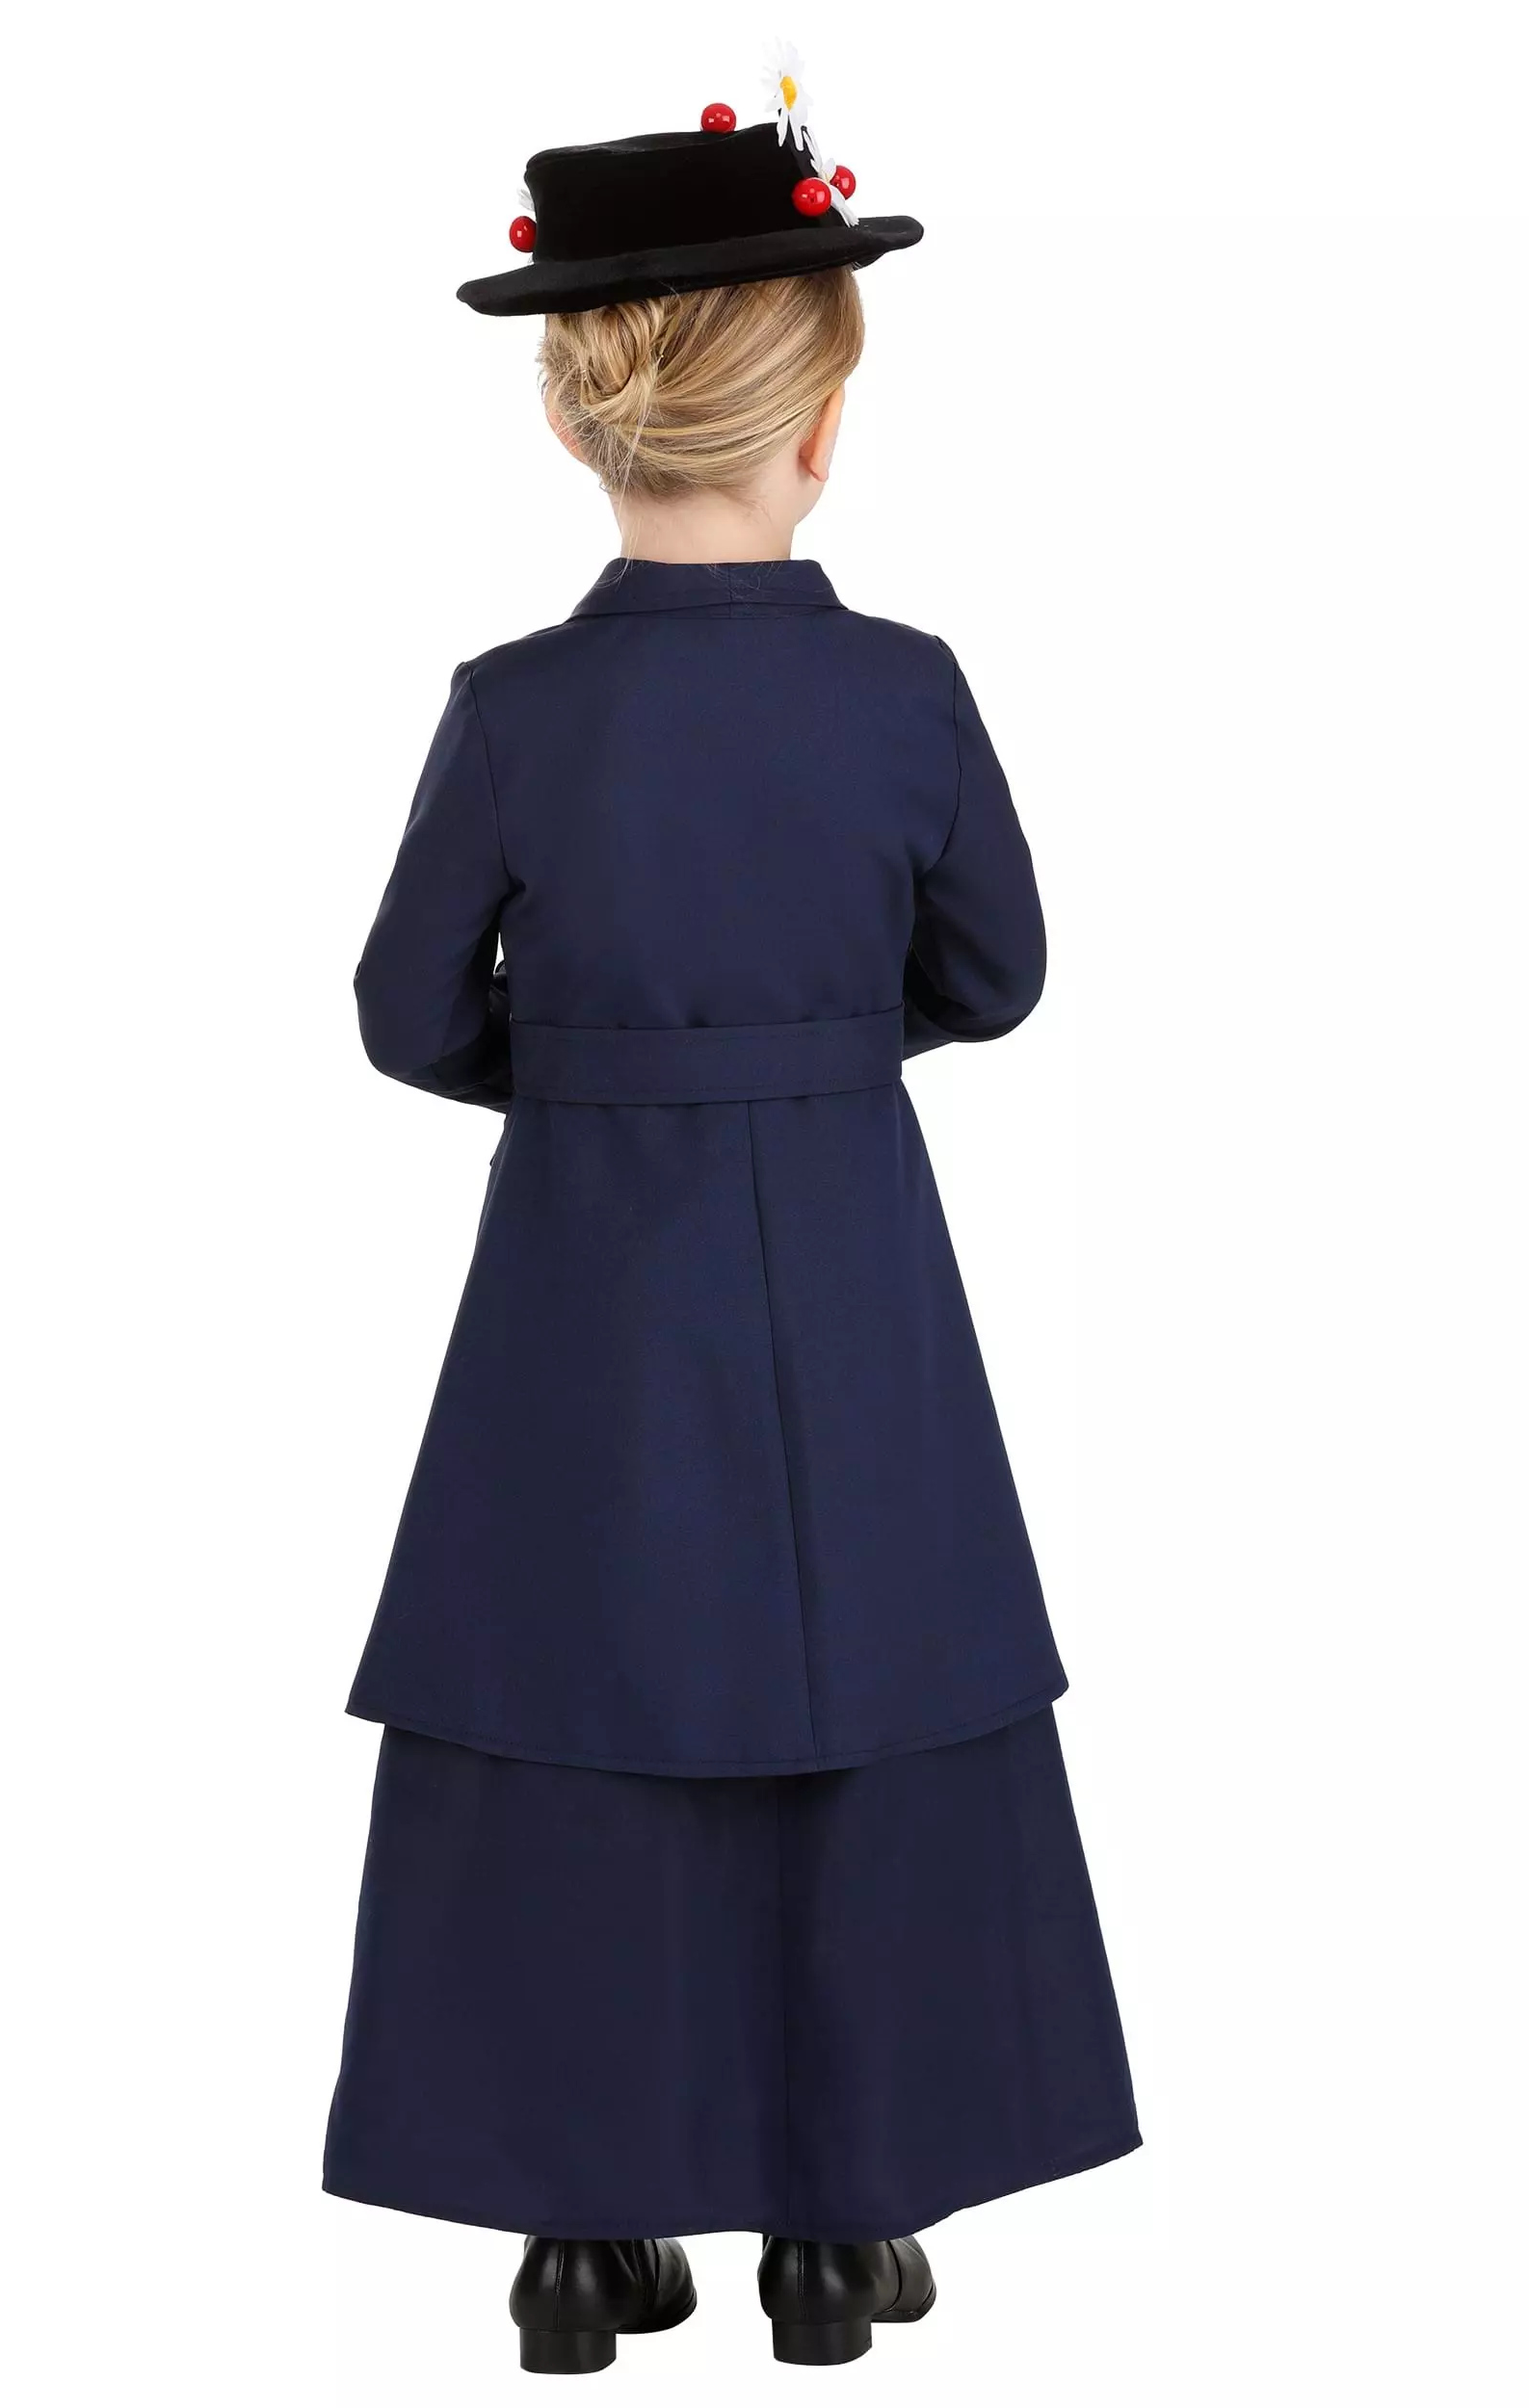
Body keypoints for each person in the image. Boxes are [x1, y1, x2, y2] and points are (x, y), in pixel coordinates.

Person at [324, 58, 1140, 2374]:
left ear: (569, 418)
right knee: (871, 1681)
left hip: (581, 1274)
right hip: (856, 1264)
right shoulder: (904, 694)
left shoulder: (509, 709)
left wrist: (598, 1075)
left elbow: (401, 1012)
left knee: (565, 1696)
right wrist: (807, 1046)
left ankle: (577, 2230)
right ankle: (835, 2218)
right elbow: (998, 973)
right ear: (823, 430)